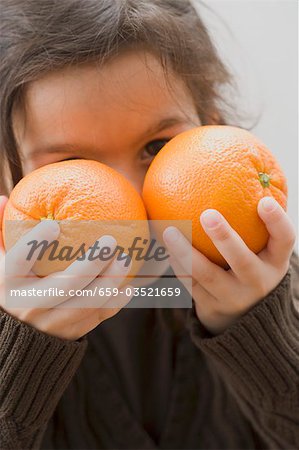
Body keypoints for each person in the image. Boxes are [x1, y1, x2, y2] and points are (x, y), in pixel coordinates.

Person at [0, 1, 298, 449]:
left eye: (158, 148)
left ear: (214, 127)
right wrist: (21, 357)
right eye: (75, 163)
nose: (132, 202)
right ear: (9, 173)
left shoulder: (274, 287)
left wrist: (257, 329)